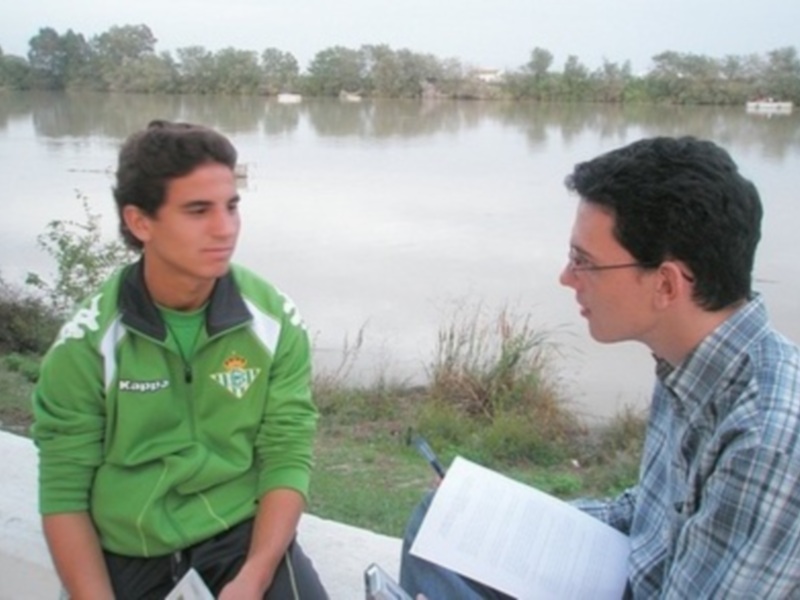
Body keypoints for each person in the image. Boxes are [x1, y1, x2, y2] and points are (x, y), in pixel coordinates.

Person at [399, 136, 800, 598]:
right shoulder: (687, 366)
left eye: (583, 262)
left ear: (666, 284)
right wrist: (504, 512)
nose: (566, 278)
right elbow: (650, 515)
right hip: (637, 579)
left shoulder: (766, 441)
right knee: (440, 523)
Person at [32, 120, 329, 599]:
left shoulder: (273, 320)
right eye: (198, 210)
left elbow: (287, 454)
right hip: (129, 547)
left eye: (231, 207)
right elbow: (64, 493)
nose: (224, 228)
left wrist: (254, 576)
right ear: (140, 222)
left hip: (238, 536)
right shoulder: (87, 345)